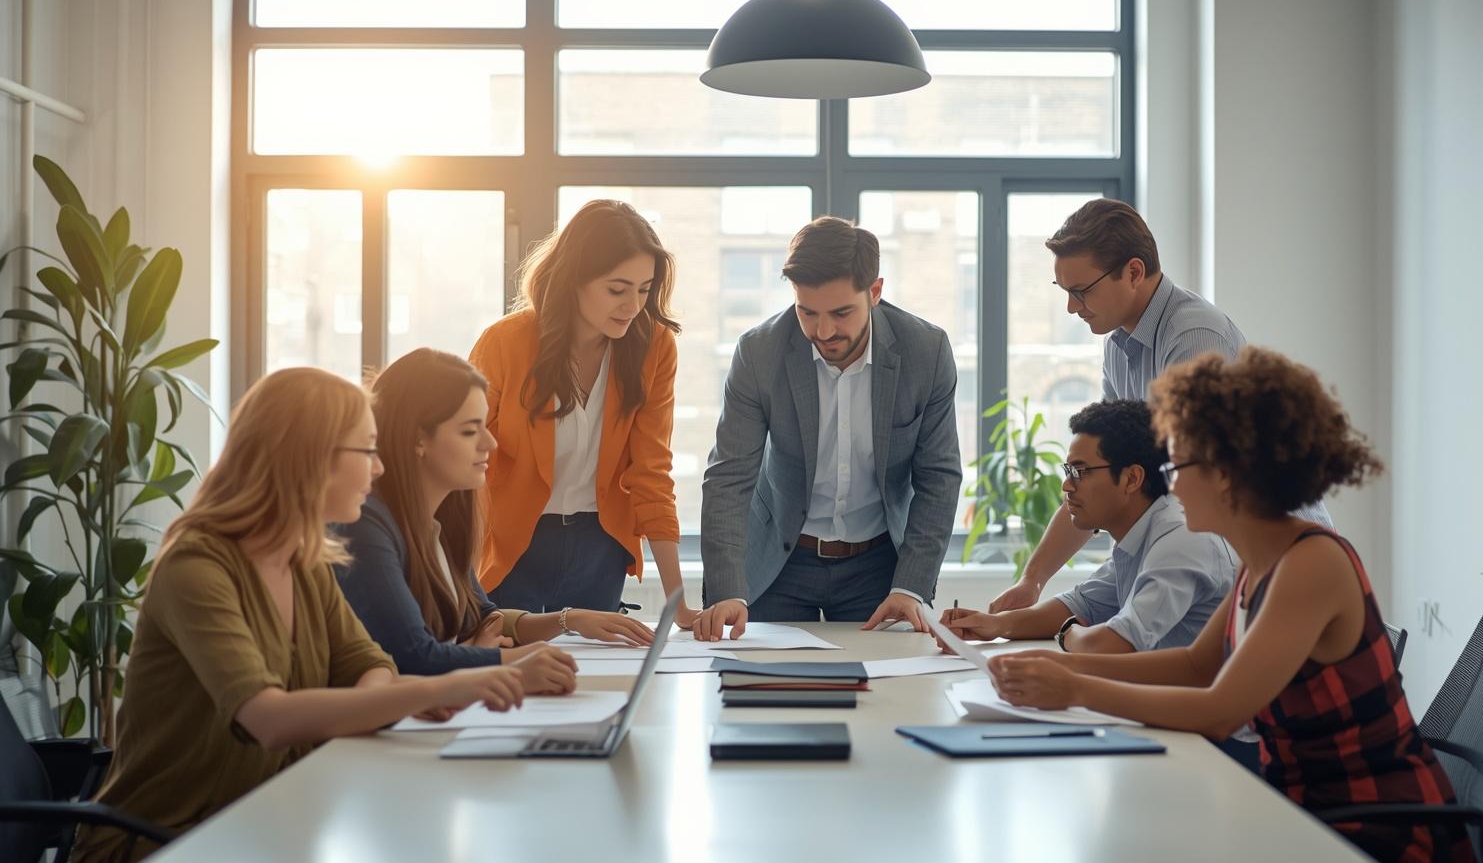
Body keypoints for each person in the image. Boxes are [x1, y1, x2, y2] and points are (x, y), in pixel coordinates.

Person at [987, 347, 1475, 863]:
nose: (1168, 484)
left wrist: (1075, 689)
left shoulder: (1311, 563)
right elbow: (1199, 665)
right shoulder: (1260, 560)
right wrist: (1069, 672)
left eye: (1179, 466)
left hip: (1372, 839)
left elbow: (1219, 711)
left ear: (1228, 473)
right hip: (1302, 811)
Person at [70, 368, 573, 863]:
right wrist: (447, 685)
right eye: (367, 451)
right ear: (308, 455)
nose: (379, 469)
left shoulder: (306, 559)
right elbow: (266, 717)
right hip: (166, 842)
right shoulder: (197, 567)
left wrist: (395, 692)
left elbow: (371, 667)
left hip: (276, 812)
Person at [990, 198, 1330, 612]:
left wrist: (1070, 616)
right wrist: (1033, 580)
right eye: (1064, 291)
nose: (1071, 307)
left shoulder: (1195, 338)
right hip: (1222, 563)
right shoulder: (1119, 347)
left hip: (1274, 567)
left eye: (1081, 291)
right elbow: (1102, 476)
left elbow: (1177, 499)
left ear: (1133, 272)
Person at [696, 217, 962, 638]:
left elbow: (939, 479)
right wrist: (727, 589)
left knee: (887, 695)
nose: (823, 331)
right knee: (756, 692)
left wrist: (911, 585)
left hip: (879, 566)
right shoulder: (759, 352)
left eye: (841, 313)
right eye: (807, 312)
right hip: (777, 562)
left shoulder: (925, 352)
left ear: (875, 292)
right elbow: (728, 478)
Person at [335, 348, 656, 675]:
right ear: (419, 439)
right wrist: (509, 660)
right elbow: (415, 656)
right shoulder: (366, 526)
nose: (490, 442)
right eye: (470, 431)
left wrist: (571, 619)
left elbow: (485, 618)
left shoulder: (438, 520)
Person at [469, 200, 694, 628]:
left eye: (644, 289)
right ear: (574, 280)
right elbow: (464, 464)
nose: (633, 305)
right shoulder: (505, 343)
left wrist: (678, 605)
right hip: (512, 545)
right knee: (508, 681)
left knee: (590, 684)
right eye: (617, 288)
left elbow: (652, 473)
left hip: (600, 550)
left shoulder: (655, 347)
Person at [938, 400, 1234, 657]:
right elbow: (1081, 604)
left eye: (1080, 472)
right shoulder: (1139, 537)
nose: (1066, 486)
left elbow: (1113, 643)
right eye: (1068, 472)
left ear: (1132, 479)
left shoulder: (1179, 540)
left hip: (1202, 717)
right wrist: (995, 625)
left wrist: (1068, 632)